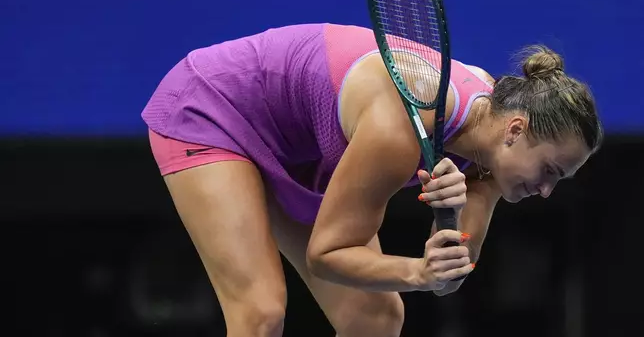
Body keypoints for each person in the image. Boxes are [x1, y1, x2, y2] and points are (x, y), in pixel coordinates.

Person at [141, 23, 602, 337]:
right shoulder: (400, 128)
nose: (546, 191)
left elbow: (453, 271)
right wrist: (416, 272)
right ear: (516, 130)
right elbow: (328, 255)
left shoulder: (491, 145)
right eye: (549, 172)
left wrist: (450, 221)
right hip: (214, 107)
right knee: (260, 312)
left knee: (375, 315)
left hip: (298, 147)